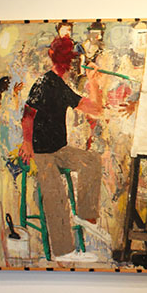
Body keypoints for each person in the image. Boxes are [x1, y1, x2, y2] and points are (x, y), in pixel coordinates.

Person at [20, 35, 110, 262]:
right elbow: (28, 115)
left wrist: (92, 81)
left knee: (91, 160)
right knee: (55, 193)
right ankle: (64, 251)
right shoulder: (43, 83)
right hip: (40, 151)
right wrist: (27, 143)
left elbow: (96, 109)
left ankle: (86, 217)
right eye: (73, 60)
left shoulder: (60, 86)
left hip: (60, 149)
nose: (73, 65)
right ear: (68, 62)